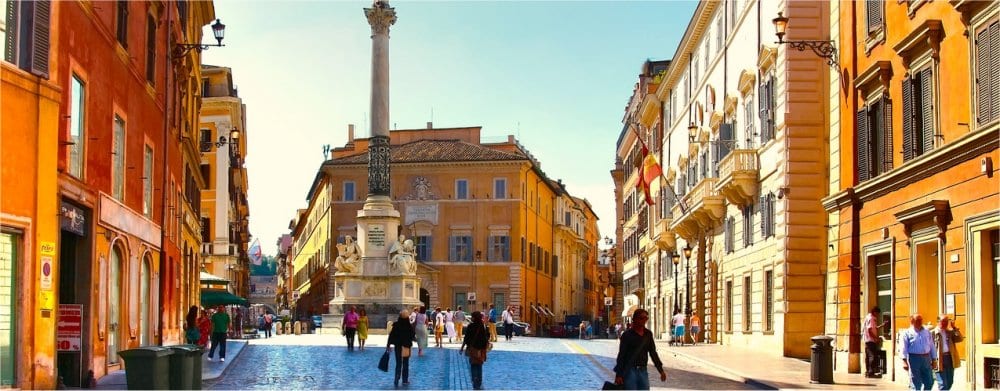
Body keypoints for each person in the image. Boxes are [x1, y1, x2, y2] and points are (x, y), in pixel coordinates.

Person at [613, 309, 666, 390]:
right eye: (642, 318)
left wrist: (661, 370)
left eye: (646, 318)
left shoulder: (648, 334)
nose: (644, 320)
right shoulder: (627, 335)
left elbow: (653, 352)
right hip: (630, 371)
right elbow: (621, 356)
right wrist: (619, 375)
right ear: (635, 319)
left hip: (643, 370)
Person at [901, 313, 936, 390]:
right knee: (916, 382)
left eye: (921, 320)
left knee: (929, 381)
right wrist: (904, 361)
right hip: (914, 359)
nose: (920, 321)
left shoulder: (927, 331)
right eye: (918, 320)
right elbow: (904, 347)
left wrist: (934, 359)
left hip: (926, 358)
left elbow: (931, 346)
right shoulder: (907, 333)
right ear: (912, 321)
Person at [932, 314, 964, 390]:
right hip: (939, 359)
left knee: (950, 382)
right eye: (943, 321)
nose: (945, 323)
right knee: (942, 384)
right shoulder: (932, 333)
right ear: (938, 321)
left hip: (950, 358)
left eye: (947, 321)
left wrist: (954, 328)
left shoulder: (949, 332)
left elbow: (960, 339)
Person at [460, 311, 490, 390]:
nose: (471, 318)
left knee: (473, 365)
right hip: (481, 349)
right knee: (479, 366)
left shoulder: (470, 326)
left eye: (472, 316)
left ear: (475, 317)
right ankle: (479, 383)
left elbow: (466, 338)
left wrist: (462, 348)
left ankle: (474, 382)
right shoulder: (483, 326)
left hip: (472, 349)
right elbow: (486, 337)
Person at [387, 310, 415, 387]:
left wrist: (388, 345)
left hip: (398, 346)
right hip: (406, 346)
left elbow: (391, 335)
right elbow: (412, 335)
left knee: (398, 363)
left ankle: (396, 378)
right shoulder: (409, 326)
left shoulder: (396, 325)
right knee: (406, 363)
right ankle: (405, 380)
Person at [863, 306, 887, 378]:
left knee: (868, 356)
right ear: (874, 312)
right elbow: (870, 330)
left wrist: (881, 326)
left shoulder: (868, 317)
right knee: (872, 356)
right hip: (870, 340)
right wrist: (876, 338)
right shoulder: (871, 318)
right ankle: (870, 372)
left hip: (867, 339)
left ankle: (867, 372)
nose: (878, 315)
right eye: (877, 313)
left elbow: (874, 328)